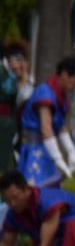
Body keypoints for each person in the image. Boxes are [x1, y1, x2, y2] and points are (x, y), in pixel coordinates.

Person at [18, 56, 75, 187]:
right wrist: (58, 159)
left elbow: (60, 128)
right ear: (64, 74)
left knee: (52, 191)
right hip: (35, 152)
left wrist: (72, 152)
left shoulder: (61, 96)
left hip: (47, 150)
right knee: (36, 190)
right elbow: (46, 129)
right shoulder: (45, 93)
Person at [1, 43, 32, 172]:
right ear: (9, 60)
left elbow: (26, 97)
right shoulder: (5, 76)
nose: (21, 65)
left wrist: (24, 79)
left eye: (23, 61)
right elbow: (11, 93)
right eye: (18, 60)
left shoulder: (18, 78)